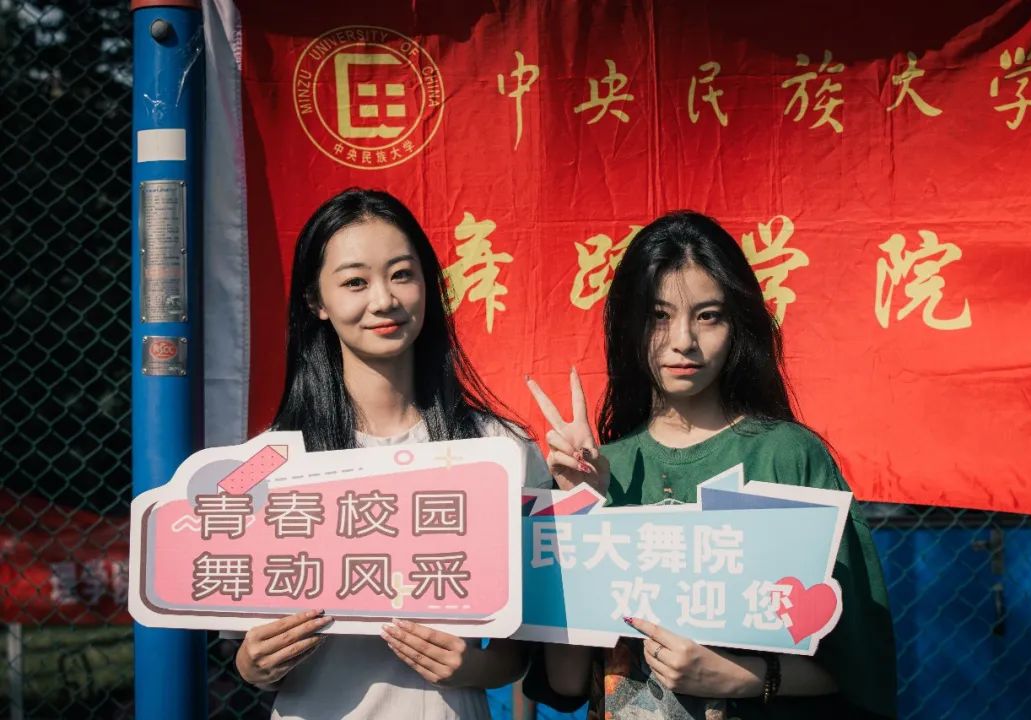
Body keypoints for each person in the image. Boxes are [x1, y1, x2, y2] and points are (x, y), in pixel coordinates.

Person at [523, 211, 897, 719]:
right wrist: (575, 508)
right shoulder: (600, 468)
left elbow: (859, 671)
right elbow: (567, 681)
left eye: (708, 315)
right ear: (629, 325)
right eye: (659, 316)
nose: (683, 340)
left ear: (738, 324)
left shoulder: (787, 456)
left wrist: (745, 677)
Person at [232, 187, 551, 719]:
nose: (384, 300)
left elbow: (523, 654)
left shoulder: (502, 452)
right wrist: (252, 664)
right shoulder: (263, 463)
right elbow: (239, 640)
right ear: (315, 301)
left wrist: (472, 668)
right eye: (355, 282)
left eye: (402, 274)